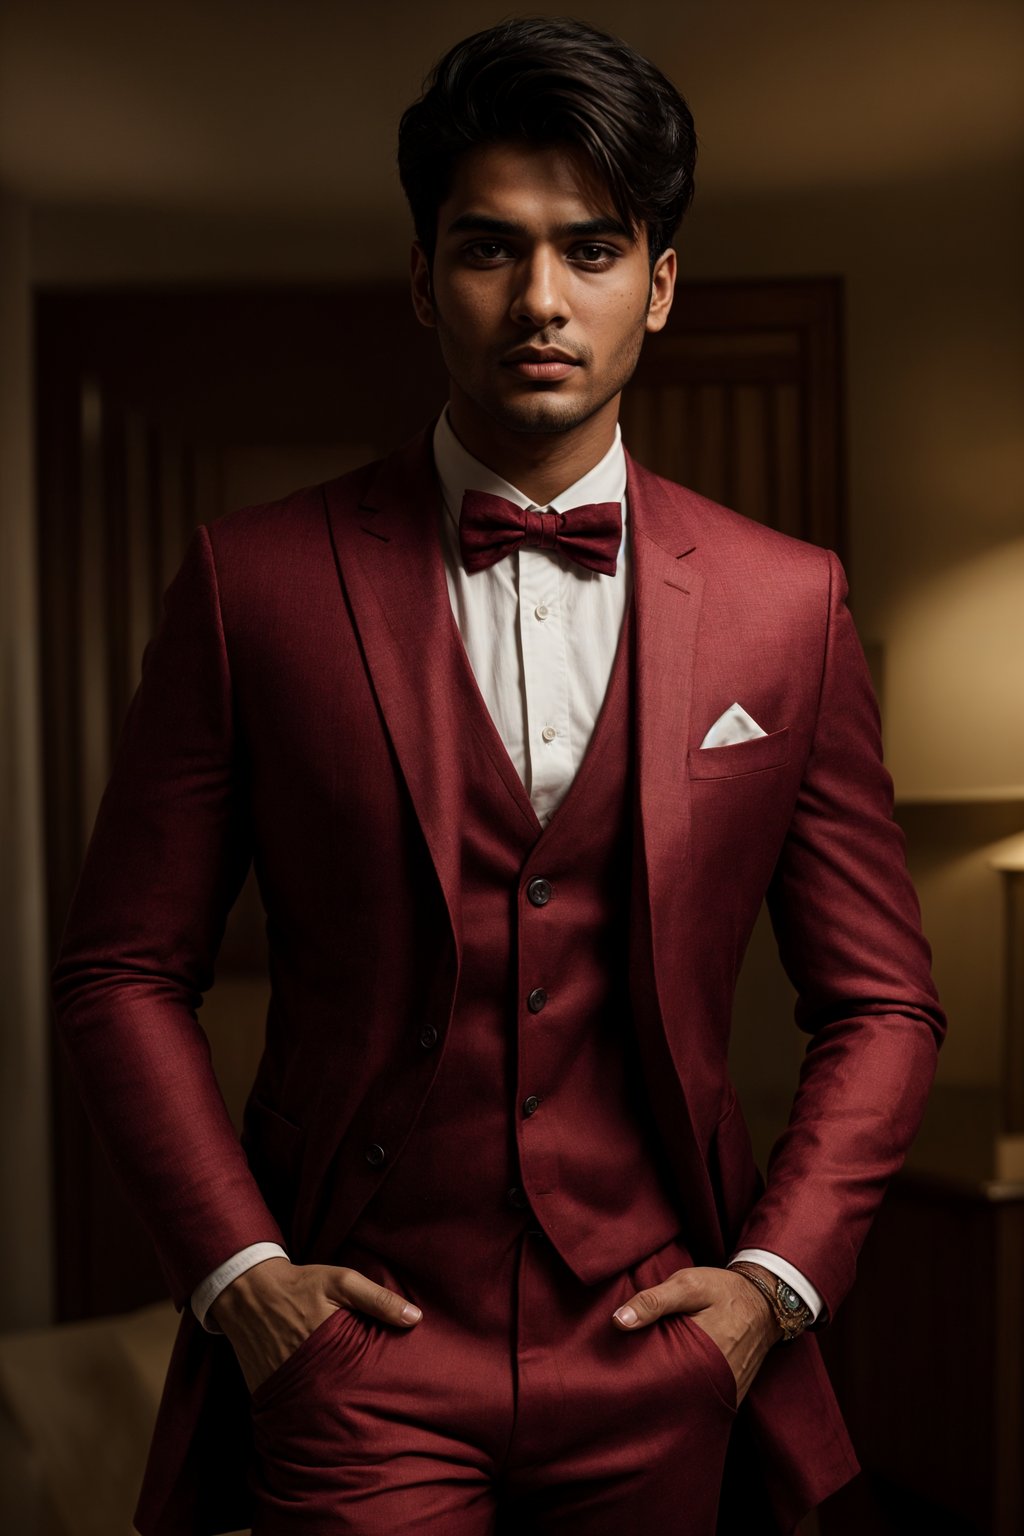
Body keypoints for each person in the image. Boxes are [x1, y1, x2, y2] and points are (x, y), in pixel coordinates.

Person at [52, 16, 945, 1536]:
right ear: (423, 281)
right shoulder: (248, 583)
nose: (541, 299)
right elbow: (122, 971)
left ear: (659, 287)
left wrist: (766, 1290)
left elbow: (882, 1000)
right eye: (489, 250)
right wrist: (247, 1282)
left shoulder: (788, 603)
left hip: (662, 1352)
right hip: (360, 1361)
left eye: (592, 250)